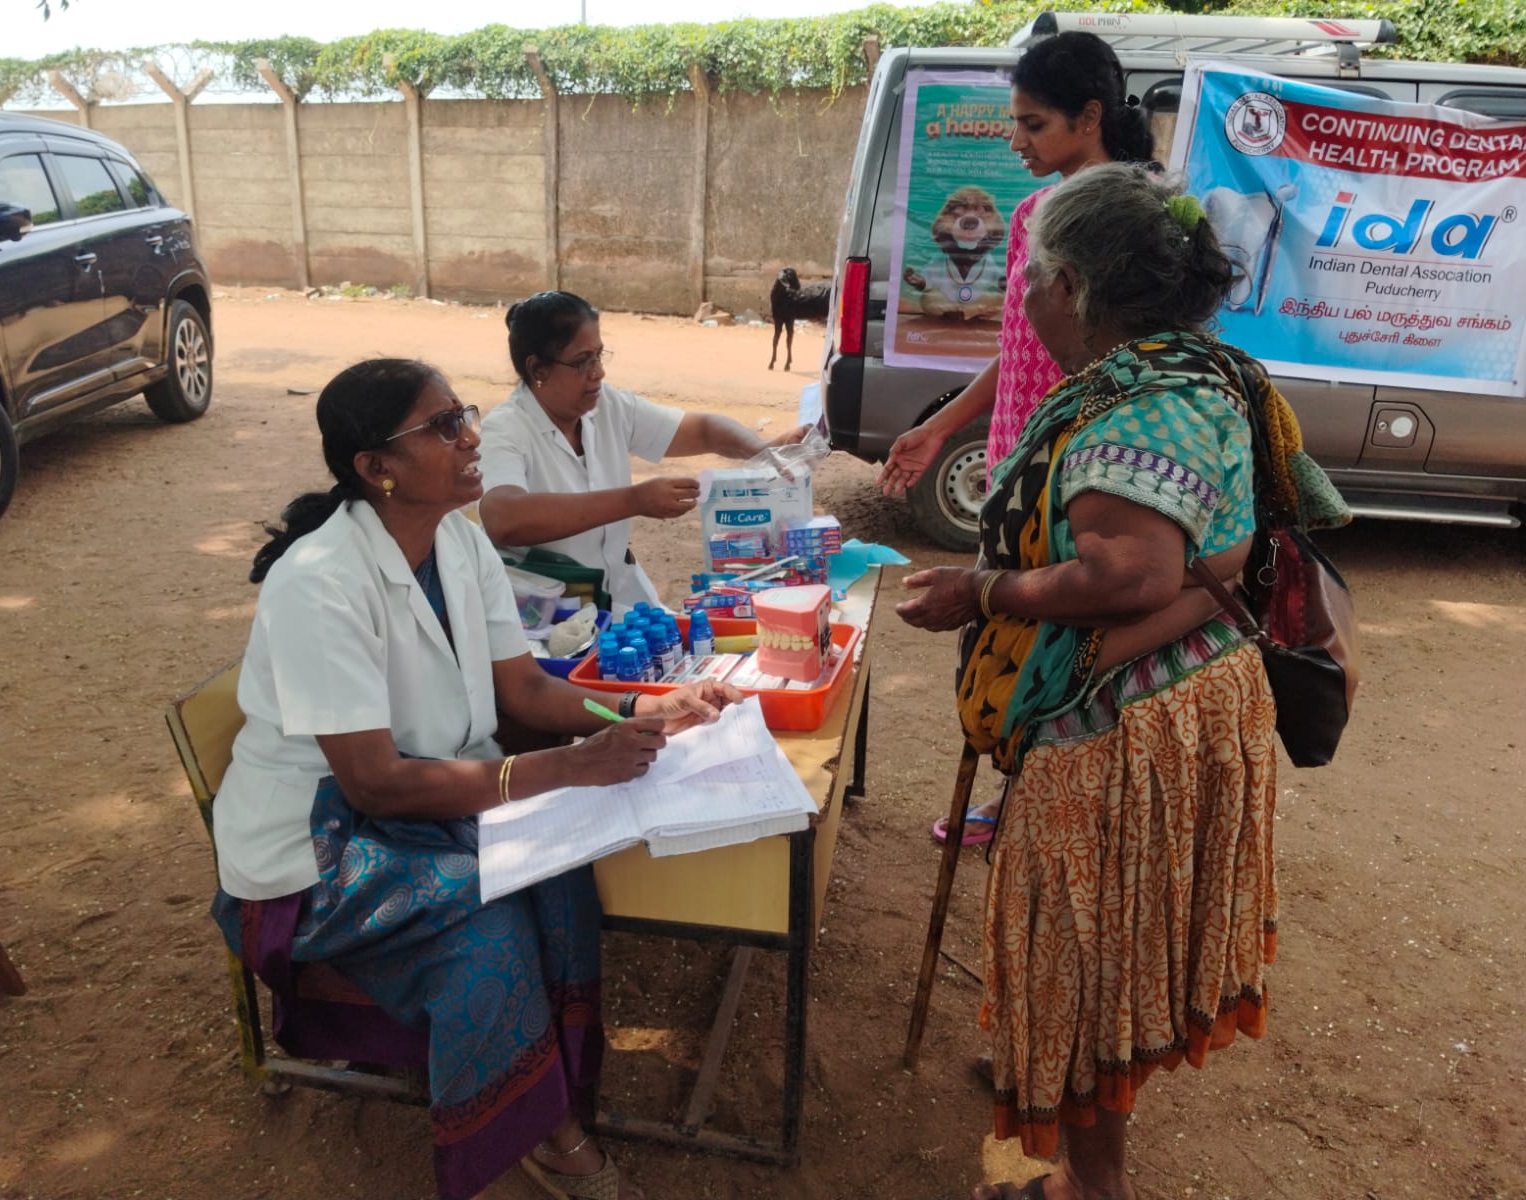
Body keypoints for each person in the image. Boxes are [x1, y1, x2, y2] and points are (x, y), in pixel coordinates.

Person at [897, 163, 1345, 1200]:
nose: (1022, 298)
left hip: (1117, 731)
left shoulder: (1136, 408)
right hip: (1178, 701)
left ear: (1071, 284)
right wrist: (1201, 582)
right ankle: (1083, 1161)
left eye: (1029, 278)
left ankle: (1088, 1189)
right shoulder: (1204, 370)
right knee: (1109, 961)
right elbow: (1252, 535)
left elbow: (1127, 572)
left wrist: (982, 590)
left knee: (1083, 974)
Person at [210, 357, 742, 1200]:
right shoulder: (318, 583)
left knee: (559, 878)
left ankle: (554, 1091)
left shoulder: (457, 539)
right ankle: (545, 1137)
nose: (470, 438)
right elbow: (374, 783)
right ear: (376, 468)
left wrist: (643, 706)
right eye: (442, 427)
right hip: (321, 842)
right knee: (487, 927)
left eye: (465, 415)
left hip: (426, 799)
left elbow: (523, 688)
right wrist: (566, 767)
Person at [879, 31, 1154, 848]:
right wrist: (940, 426)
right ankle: (1026, 793)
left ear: (1090, 117)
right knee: (1034, 637)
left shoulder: (1111, 220)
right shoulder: (1060, 211)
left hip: (1078, 467)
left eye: (1033, 124)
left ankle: (1041, 799)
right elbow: (1021, 345)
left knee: (1057, 635)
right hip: (1029, 460)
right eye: (1015, 122)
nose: (1015, 141)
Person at [478, 290, 807, 615]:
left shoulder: (607, 405)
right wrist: (634, 501)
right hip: (547, 614)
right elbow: (504, 518)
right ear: (538, 369)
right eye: (581, 362)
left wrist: (760, 448)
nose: (598, 372)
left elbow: (703, 429)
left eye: (599, 356)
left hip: (620, 594)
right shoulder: (507, 429)